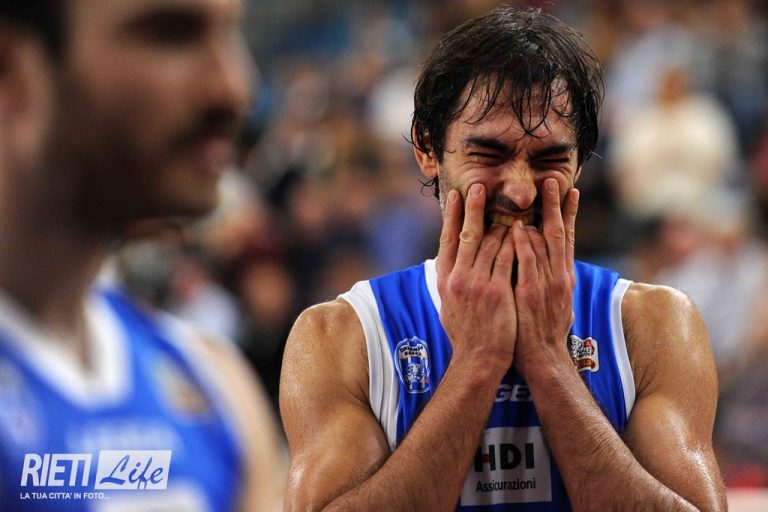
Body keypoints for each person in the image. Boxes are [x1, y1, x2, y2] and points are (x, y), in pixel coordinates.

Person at [280, 6, 726, 511]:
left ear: (581, 161)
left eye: (550, 159)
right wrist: (477, 363)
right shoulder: (341, 336)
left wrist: (549, 361)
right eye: (489, 155)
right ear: (427, 149)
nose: (520, 191)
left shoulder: (656, 325)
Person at [0, 1, 284, 510]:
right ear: (11, 69)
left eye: (230, 35)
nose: (235, 89)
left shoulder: (213, 385)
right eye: (170, 35)